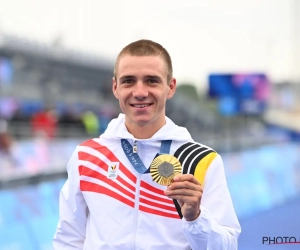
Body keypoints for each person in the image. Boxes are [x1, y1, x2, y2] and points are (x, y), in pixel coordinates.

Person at [53, 40, 241, 249]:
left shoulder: (202, 161)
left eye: (151, 81)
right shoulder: (87, 156)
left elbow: (227, 246)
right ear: (115, 87)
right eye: (128, 81)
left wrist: (196, 218)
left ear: (170, 87)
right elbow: (68, 239)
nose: (140, 92)